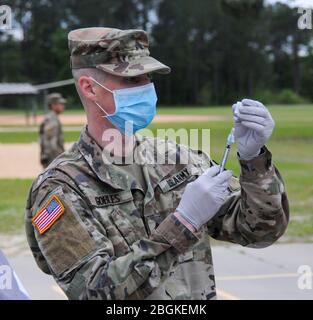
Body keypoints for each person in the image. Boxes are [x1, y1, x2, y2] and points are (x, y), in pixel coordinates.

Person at [25, 27, 289, 300]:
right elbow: (93, 292)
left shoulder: (179, 161)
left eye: (147, 76)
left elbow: (260, 231)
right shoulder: (60, 188)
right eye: (131, 78)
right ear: (90, 88)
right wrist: (183, 223)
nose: (145, 87)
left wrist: (253, 160)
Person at [39, 93, 66, 168]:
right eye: (60, 104)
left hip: (53, 158)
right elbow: (51, 142)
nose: (63, 106)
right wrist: (59, 159)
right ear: (53, 105)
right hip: (53, 158)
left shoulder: (52, 117)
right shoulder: (52, 119)